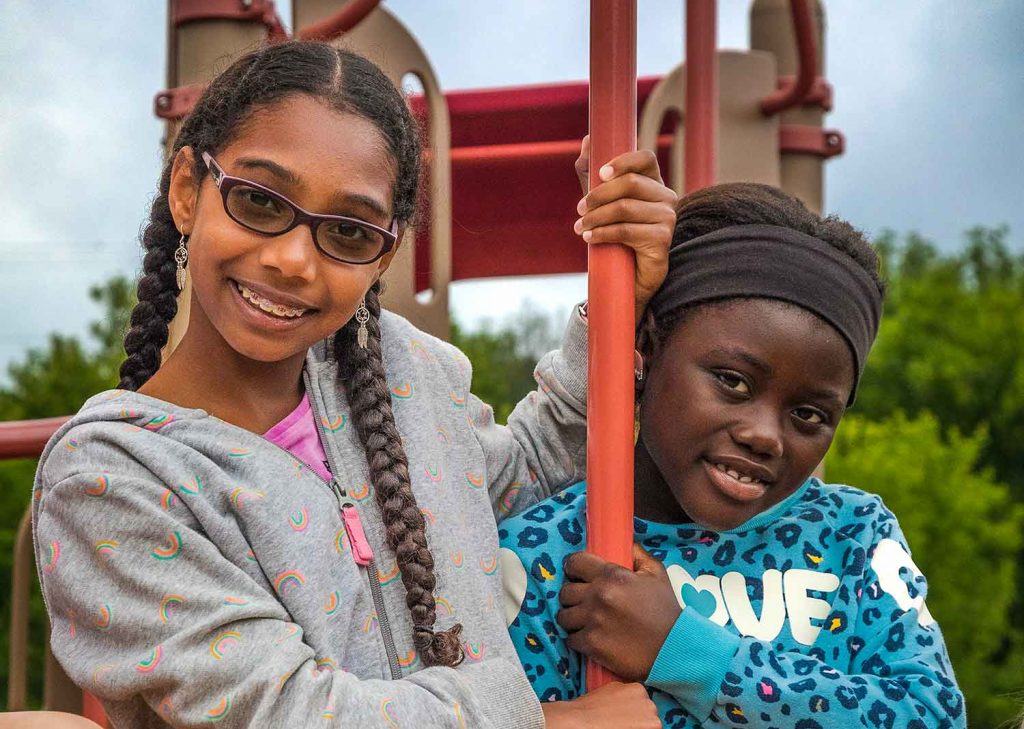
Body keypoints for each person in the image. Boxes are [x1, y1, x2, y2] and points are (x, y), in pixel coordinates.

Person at [31, 40, 675, 728]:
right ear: (188, 190)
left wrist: (617, 304)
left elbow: (535, 467)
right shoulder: (108, 481)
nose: (291, 259)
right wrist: (554, 722)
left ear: (385, 253)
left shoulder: (409, 372)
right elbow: (290, 713)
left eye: (346, 230)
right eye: (258, 199)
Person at [501, 182, 967, 728]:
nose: (766, 435)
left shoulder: (853, 535)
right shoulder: (542, 554)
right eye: (733, 381)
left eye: (809, 415)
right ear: (645, 350)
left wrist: (685, 652)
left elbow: (932, 715)